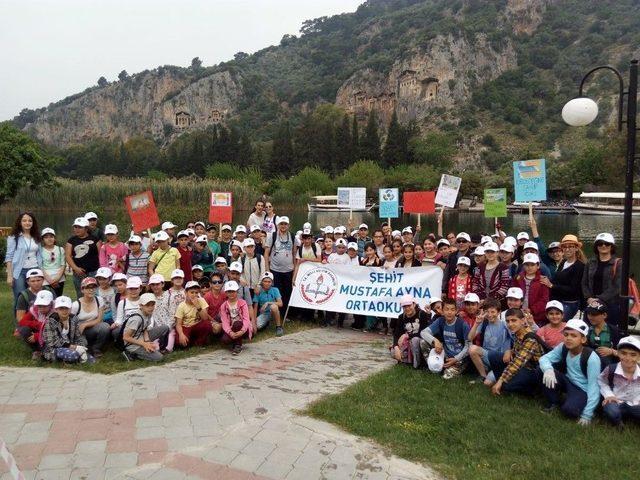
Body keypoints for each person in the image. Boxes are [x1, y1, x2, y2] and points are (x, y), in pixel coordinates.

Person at [539, 318, 601, 425]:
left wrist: (587, 414)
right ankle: (554, 402)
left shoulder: (592, 358)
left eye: (573, 335)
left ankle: (580, 405)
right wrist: (548, 370)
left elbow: (594, 387)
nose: (568, 338)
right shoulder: (563, 347)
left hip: (582, 389)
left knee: (570, 411)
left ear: (583, 339)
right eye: (566, 334)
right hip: (567, 380)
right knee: (541, 370)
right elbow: (544, 359)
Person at [490, 308, 545, 397]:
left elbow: (517, 363)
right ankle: (503, 384)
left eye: (514, 320)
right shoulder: (518, 331)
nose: (510, 324)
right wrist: (509, 351)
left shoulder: (530, 338)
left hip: (534, 371)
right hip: (524, 366)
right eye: (508, 321)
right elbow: (518, 352)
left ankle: (534, 391)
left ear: (523, 320)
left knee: (506, 385)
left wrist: (501, 380)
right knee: (493, 355)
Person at [419, 298, 470, 379]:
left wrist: (456, 359)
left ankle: (449, 369)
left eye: (452, 309)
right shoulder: (440, 321)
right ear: (442, 311)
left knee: (446, 376)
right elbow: (423, 332)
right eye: (446, 309)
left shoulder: (463, 325)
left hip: (460, 358)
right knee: (423, 342)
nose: (449, 312)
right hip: (445, 354)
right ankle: (433, 366)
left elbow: (469, 346)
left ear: (456, 311)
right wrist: (435, 341)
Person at [598, 336, 640, 428]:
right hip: (616, 401)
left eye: (633, 355)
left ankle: (631, 417)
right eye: (623, 353)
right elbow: (602, 381)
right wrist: (609, 395)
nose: (628, 358)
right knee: (612, 411)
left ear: (639, 356)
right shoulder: (611, 368)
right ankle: (617, 422)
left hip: (636, 403)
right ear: (618, 353)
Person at [467, 298, 511, 385]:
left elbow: (514, 339)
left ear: (499, 312)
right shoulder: (484, 323)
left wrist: (509, 350)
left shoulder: (505, 325)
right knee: (472, 349)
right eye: (487, 312)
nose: (490, 315)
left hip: (499, 359)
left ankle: (493, 374)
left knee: (488, 383)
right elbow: (469, 338)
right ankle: (482, 375)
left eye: (493, 312)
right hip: (486, 356)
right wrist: (476, 323)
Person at [582, 232, 621, 326]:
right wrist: (588, 298)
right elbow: (584, 282)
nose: (603, 246)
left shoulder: (619, 263)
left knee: (610, 331)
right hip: (591, 304)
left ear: (612, 246)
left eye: (607, 244)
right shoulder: (590, 262)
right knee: (587, 330)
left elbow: (617, 286)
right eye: (600, 243)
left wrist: (599, 299)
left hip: (610, 305)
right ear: (596, 246)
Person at [544, 234, 586, 320]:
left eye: (570, 246)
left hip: (570, 302)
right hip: (558, 300)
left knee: (557, 322)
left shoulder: (580, 266)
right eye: (565, 247)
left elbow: (573, 289)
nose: (567, 249)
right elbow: (557, 279)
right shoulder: (563, 262)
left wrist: (552, 286)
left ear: (576, 248)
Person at [5, 212, 42, 309]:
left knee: (34, 297)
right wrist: (9, 275)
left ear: (33, 223)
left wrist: (41, 270)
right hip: (19, 271)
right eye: (24, 220)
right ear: (20, 222)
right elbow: (9, 257)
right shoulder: (14, 237)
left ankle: (33, 321)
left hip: (34, 270)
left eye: (30, 221)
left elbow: (39, 255)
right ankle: (19, 323)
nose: (27, 223)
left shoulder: (36, 236)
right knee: (20, 297)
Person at [42, 296, 91, 364]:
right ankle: (65, 360)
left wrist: (82, 346)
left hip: (72, 346)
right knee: (73, 355)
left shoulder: (74, 319)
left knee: (91, 360)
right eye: (61, 308)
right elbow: (52, 341)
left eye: (67, 308)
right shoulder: (50, 321)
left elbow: (79, 336)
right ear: (56, 310)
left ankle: (72, 360)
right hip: (54, 349)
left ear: (70, 309)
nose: (64, 311)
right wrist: (73, 347)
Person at [121, 293, 169, 362]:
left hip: (142, 337)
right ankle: (131, 353)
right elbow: (126, 337)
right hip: (132, 344)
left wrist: (147, 341)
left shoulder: (148, 313)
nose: (151, 308)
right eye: (147, 305)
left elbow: (145, 328)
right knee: (159, 358)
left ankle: (162, 349)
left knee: (165, 327)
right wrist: (144, 344)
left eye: (152, 305)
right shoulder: (136, 319)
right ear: (141, 306)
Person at [70, 277, 110, 357]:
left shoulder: (99, 300)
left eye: (94, 287)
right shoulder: (76, 305)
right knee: (83, 346)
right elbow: (70, 323)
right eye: (88, 287)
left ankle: (96, 348)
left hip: (92, 327)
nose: (91, 290)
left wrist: (85, 324)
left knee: (105, 327)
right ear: (82, 290)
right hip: (78, 330)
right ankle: (84, 347)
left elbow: (99, 319)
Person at [389, 295, 430, 369]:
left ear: (414, 304)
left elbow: (423, 332)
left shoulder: (422, 314)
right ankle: (406, 361)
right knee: (393, 352)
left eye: (409, 305)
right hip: (407, 343)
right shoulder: (401, 317)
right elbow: (396, 334)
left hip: (419, 342)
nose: (407, 308)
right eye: (404, 307)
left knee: (415, 340)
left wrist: (407, 335)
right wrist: (396, 347)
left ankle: (417, 365)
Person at [264, 216, 295, 311]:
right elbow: (266, 253)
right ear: (278, 225)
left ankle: (286, 313)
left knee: (287, 292)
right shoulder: (272, 236)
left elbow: (294, 254)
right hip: (275, 270)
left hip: (289, 270)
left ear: (288, 225)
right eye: (281, 224)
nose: (283, 226)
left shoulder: (293, 237)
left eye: (285, 224)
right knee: (277, 292)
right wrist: (267, 270)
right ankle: (276, 311)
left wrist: (294, 270)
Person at [66, 217, 101, 298]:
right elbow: (68, 256)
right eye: (75, 227)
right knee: (81, 295)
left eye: (80, 227)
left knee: (95, 294)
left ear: (86, 228)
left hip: (93, 272)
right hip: (78, 273)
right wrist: (75, 268)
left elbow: (100, 255)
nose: (77, 229)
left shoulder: (95, 239)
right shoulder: (71, 240)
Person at [512, 253, 549, 326]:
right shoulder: (518, 278)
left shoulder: (542, 280)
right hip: (519, 313)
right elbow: (513, 295)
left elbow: (544, 300)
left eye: (532, 265)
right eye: (527, 265)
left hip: (536, 317)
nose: (529, 267)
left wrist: (532, 309)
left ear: (538, 266)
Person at [17, 290, 54, 359]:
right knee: (24, 329)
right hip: (40, 331)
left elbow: (54, 330)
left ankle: (47, 351)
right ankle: (36, 351)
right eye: (39, 306)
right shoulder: (34, 309)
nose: (41, 309)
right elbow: (22, 322)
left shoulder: (56, 311)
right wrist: (37, 324)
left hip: (52, 337)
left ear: (51, 303)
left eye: (45, 306)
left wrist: (38, 335)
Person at [175, 281, 212, 348]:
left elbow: (205, 318)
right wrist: (181, 334)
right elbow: (178, 324)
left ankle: (199, 343)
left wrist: (197, 306)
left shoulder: (201, 300)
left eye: (196, 292)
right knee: (179, 343)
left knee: (207, 324)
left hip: (197, 326)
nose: (194, 295)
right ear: (186, 293)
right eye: (192, 292)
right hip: (186, 327)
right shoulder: (181, 305)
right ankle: (191, 341)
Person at [220, 281, 253, 355]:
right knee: (225, 340)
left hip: (243, 327)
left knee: (237, 323)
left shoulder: (243, 303)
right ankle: (236, 340)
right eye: (229, 292)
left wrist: (242, 330)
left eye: (233, 291)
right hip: (231, 328)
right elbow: (224, 322)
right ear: (226, 292)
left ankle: (238, 346)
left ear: (237, 292)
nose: (231, 294)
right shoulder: (223, 306)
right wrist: (230, 332)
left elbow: (246, 319)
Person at [585, 300, 620, 369]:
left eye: (594, 314)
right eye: (588, 314)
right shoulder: (586, 329)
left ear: (604, 315)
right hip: (590, 361)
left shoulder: (614, 331)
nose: (590, 317)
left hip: (609, 363)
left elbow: (625, 352)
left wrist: (612, 351)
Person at [40, 227, 65, 297]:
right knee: (47, 298)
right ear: (43, 239)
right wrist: (49, 280)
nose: (49, 239)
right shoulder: (40, 251)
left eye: (51, 236)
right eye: (46, 237)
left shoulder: (60, 249)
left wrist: (57, 279)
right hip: (46, 279)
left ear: (54, 238)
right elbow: (40, 266)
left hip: (59, 279)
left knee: (57, 298)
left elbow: (63, 265)